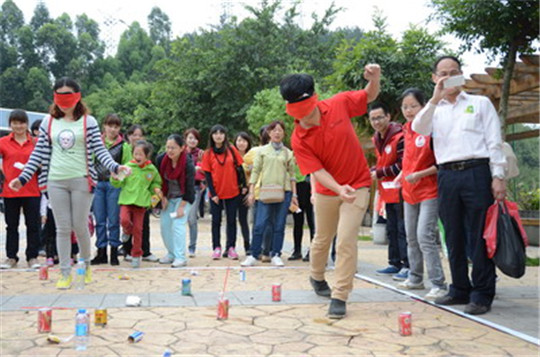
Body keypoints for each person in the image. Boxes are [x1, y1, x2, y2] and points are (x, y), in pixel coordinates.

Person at [279, 64, 380, 319]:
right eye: (297, 113)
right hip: (327, 190)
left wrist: (375, 78)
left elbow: (368, 94)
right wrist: (337, 188)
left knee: (345, 239)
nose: (304, 118)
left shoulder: (338, 104)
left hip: (358, 184)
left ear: (315, 98)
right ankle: (316, 276)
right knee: (322, 238)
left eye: (307, 110)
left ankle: (340, 294)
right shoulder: (298, 138)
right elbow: (316, 170)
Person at [9, 77, 131, 289]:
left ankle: (85, 266)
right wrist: (23, 177)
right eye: (60, 95)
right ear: (54, 97)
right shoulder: (48, 122)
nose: (64, 101)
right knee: (62, 228)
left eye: (69, 95)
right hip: (55, 180)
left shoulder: (88, 122)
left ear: (78, 97)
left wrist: (114, 167)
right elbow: (38, 153)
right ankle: (65, 272)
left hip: (82, 180)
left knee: (80, 225)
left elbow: (100, 150)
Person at [412, 56, 506, 315]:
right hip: (447, 176)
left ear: (462, 75)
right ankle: (459, 288)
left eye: (454, 72)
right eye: (443, 73)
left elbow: (493, 141)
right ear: (434, 78)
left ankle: (482, 292)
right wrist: (434, 97)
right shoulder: (434, 109)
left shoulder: (480, 103)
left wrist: (498, 176)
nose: (449, 76)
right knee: (452, 234)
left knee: (479, 234)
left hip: (477, 171)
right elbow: (418, 128)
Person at [393, 88, 446, 300]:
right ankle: (415, 278)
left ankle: (438, 283)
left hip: (429, 190)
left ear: (424, 106)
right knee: (411, 237)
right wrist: (401, 176)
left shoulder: (432, 130)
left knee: (425, 236)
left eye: (413, 106)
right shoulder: (406, 130)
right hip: (409, 191)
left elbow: (441, 163)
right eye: (405, 107)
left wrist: (418, 174)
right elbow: (408, 161)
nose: (409, 110)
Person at [241, 120, 297, 267]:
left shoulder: (288, 153)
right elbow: (255, 172)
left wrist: (294, 196)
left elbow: (292, 175)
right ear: (269, 133)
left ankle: (276, 254)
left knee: (279, 224)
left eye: (280, 130)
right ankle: (253, 254)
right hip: (265, 192)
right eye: (274, 130)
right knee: (260, 224)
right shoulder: (261, 151)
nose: (277, 133)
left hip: (284, 193)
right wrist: (252, 192)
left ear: (284, 133)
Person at [369, 102, 409, 281]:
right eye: (373, 118)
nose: (376, 122)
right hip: (386, 191)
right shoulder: (377, 138)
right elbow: (383, 162)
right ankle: (394, 263)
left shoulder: (400, 137)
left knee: (402, 228)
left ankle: (408, 265)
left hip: (401, 189)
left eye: (379, 117)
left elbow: (402, 165)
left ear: (388, 117)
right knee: (391, 228)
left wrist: (378, 172)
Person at [0, 109, 41, 269]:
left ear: (27, 124)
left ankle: (32, 257)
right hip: (10, 191)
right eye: (15, 123)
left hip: (32, 189)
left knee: (33, 225)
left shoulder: (35, 143)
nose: (18, 126)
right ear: (10, 124)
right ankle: (11, 257)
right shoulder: (3, 142)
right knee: (11, 225)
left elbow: (43, 162)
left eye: (22, 122)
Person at [111, 140, 162, 268]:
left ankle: (136, 255)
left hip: (141, 203)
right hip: (126, 201)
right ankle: (127, 231)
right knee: (124, 220)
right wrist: (115, 178)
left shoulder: (151, 170)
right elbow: (118, 183)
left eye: (140, 154)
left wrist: (156, 190)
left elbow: (155, 183)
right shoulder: (127, 167)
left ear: (147, 156)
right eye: (135, 154)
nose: (137, 157)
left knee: (139, 230)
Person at [91, 114, 132, 266]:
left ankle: (114, 251)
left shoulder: (124, 146)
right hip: (98, 184)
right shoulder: (96, 143)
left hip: (114, 185)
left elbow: (127, 167)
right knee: (99, 220)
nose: (113, 129)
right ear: (104, 126)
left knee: (114, 221)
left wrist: (118, 179)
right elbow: (90, 161)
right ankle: (101, 251)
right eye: (110, 126)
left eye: (116, 126)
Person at [202, 124, 244, 260]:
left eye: (221, 133)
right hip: (216, 193)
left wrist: (243, 185)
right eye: (215, 133)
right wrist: (213, 194)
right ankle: (216, 247)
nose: (218, 135)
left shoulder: (231, 150)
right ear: (211, 136)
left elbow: (240, 168)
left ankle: (231, 247)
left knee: (231, 220)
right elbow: (207, 175)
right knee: (216, 221)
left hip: (232, 190)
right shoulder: (208, 153)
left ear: (225, 135)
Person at [158, 134, 195, 267]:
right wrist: (162, 198)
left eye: (173, 148)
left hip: (184, 198)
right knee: (165, 226)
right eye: (167, 147)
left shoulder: (188, 164)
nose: (170, 151)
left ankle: (180, 257)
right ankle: (171, 253)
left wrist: (181, 207)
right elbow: (158, 181)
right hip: (168, 197)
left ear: (182, 148)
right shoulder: (161, 159)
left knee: (178, 224)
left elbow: (190, 188)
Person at [243, 125, 273, 262]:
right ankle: (261, 250)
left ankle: (264, 250)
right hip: (260, 191)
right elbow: (244, 166)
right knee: (262, 223)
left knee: (264, 223)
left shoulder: (274, 150)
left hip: (268, 191)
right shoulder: (255, 151)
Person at [184, 128, 205, 257]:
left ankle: (192, 247)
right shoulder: (180, 152)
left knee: (192, 218)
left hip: (195, 188)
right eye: (190, 138)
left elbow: (205, 173)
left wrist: (200, 166)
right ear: (185, 139)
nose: (192, 140)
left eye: (195, 138)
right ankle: (178, 247)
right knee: (179, 219)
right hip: (181, 189)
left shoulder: (201, 154)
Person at [234, 131, 253, 255]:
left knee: (243, 219)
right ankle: (230, 247)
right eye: (239, 140)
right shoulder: (231, 156)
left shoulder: (252, 157)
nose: (241, 143)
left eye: (244, 141)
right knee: (231, 220)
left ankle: (248, 245)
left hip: (246, 191)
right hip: (232, 190)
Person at [290, 166, 315, 261]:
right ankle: (297, 250)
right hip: (298, 188)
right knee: (297, 222)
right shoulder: (293, 157)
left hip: (311, 188)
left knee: (312, 223)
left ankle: (313, 250)